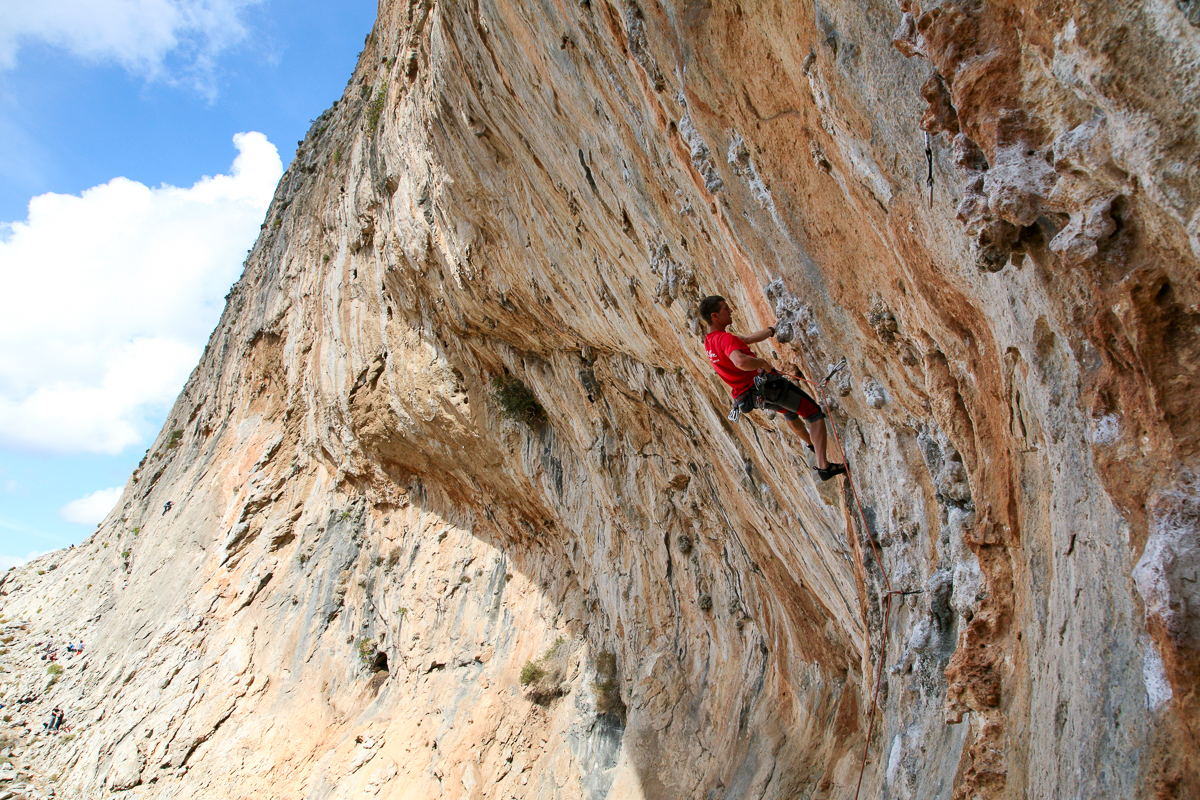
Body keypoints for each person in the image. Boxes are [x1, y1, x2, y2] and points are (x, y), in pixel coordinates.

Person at [699, 295, 847, 481]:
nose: (731, 311)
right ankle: (824, 466)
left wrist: (773, 329)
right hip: (768, 387)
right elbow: (740, 362)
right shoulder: (725, 338)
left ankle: (811, 444)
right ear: (715, 316)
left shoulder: (711, 341)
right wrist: (763, 363)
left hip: (752, 396)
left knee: (789, 411)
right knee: (814, 414)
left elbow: (745, 339)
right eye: (725, 309)